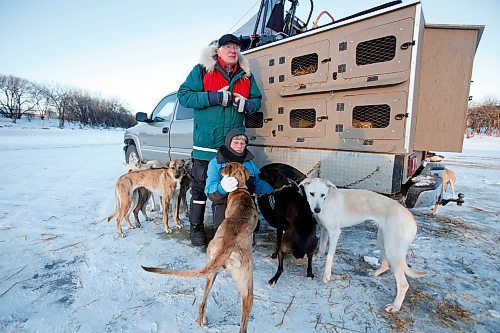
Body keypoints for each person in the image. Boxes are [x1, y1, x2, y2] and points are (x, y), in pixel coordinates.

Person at [177, 34, 263, 246]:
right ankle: (196, 228)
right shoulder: (202, 70)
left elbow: (257, 100)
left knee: (230, 187)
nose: (233, 50)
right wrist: (213, 97)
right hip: (206, 144)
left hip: (231, 148)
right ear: (218, 50)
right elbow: (184, 95)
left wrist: (247, 105)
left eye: (236, 47)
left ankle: (227, 229)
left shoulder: (245, 75)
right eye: (228, 46)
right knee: (200, 188)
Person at [205, 129, 274, 230]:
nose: (239, 146)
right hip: (223, 203)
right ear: (228, 143)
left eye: (242, 143)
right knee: (223, 228)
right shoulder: (216, 163)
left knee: (252, 227)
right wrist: (222, 187)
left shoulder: (249, 163)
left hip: (245, 201)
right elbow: (209, 190)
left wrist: (275, 190)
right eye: (236, 143)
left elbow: (258, 183)